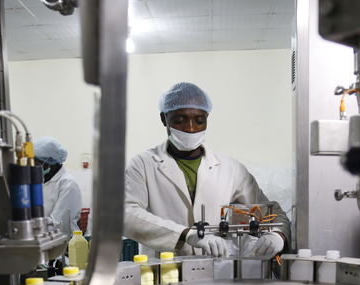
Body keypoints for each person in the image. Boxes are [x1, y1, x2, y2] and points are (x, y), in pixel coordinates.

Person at [123, 82, 290, 257]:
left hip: (216, 269)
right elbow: (126, 214)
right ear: (164, 119)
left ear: (207, 119)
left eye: (199, 120)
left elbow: (272, 213)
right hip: (164, 267)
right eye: (180, 120)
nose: (190, 128)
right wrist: (185, 234)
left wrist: (278, 236)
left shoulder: (231, 170)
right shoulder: (143, 164)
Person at [34, 136, 83, 233]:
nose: (33, 167)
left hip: (63, 240)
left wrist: (30, 227)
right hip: (44, 237)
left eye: (37, 163)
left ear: (50, 162)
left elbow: (58, 223)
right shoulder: (41, 182)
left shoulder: (68, 185)